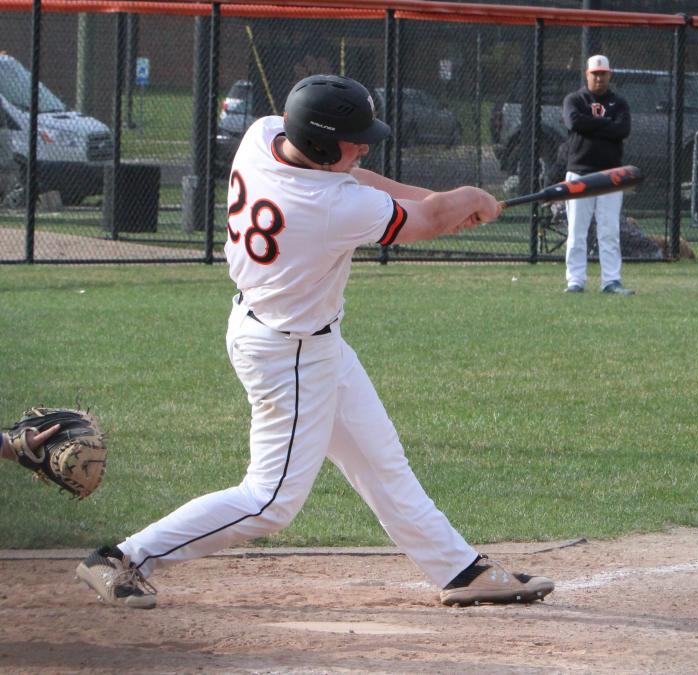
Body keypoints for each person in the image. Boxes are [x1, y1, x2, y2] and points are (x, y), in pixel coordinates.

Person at [75, 74, 554, 610]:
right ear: (323, 145)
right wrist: (464, 199)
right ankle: (124, 557)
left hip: (290, 333)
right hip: (290, 352)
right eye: (354, 136)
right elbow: (419, 221)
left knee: (381, 462)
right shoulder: (330, 206)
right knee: (269, 501)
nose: (365, 143)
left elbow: (368, 181)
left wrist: (439, 203)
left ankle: (460, 571)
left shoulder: (264, 136)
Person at [561, 54, 634, 295]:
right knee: (576, 231)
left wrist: (591, 124)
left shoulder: (620, 102)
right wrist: (605, 124)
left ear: (610, 74)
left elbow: (622, 129)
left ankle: (611, 281)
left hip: (611, 175)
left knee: (609, 230)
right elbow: (574, 122)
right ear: (587, 74)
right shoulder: (574, 99)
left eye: (603, 73)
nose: (599, 78)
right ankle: (575, 281)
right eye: (595, 73)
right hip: (580, 173)